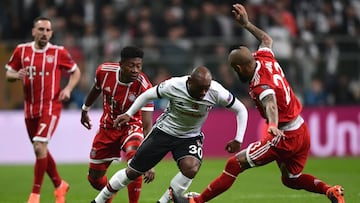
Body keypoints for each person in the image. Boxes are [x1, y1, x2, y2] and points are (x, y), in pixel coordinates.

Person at [171, 3, 345, 203]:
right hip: (300, 128)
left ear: (239, 67)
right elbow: (266, 39)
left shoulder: (261, 85)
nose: (236, 74)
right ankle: (331, 191)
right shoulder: (263, 57)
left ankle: (195, 201)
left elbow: (270, 102)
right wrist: (246, 24)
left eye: (235, 70)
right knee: (291, 179)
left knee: (234, 164)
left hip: (284, 135)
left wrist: (271, 125)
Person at [90, 65, 249, 203]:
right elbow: (147, 95)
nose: (204, 92)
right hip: (164, 132)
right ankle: (99, 200)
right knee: (132, 172)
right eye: (200, 88)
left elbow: (241, 109)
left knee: (191, 168)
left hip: (190, 136)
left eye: (206, 88)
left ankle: (163, 201)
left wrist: (238, 138)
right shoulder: (174, 85)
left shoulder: (216, 91)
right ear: (190, 81)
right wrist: (130, 114)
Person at [5, 16, 81, 203]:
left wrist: (68, 89)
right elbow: (8, 74)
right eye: (41, 29)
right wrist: (16, 75)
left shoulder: (58, 52)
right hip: (30, 109)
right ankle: (59, 185)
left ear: (52, 33)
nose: (45, 33)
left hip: (50, 106)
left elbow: (76, 72)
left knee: (39, 145)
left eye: (48, 30)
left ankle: (35, 195)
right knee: (41, 150)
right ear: (33, 31)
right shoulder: (21, 50)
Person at [80, 46, 155, 203]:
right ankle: (108, 194)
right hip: (108, 127)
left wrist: (148, 161)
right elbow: (96, 90)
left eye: (139, 66)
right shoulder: (104, 71)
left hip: (132, 126)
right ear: (121, 64)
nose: (136, 70)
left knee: (135, 163)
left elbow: (147, 126)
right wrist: (85, 109)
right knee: (94, 178)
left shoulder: (144, 86)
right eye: (131, 65)